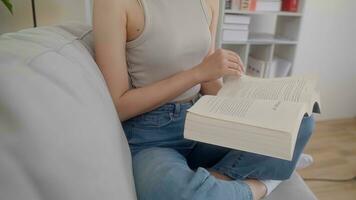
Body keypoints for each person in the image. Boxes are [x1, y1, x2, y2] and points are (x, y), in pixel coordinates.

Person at [93, 0, 315, 199]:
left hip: (202, 120)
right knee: (181, 193)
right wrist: (197, 74)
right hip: (150, 139)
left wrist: (249, 102)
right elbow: (119, 105)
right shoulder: (113, 4)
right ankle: (263, 184)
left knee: (300, 120)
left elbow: (209, 82)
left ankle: (216, 182)